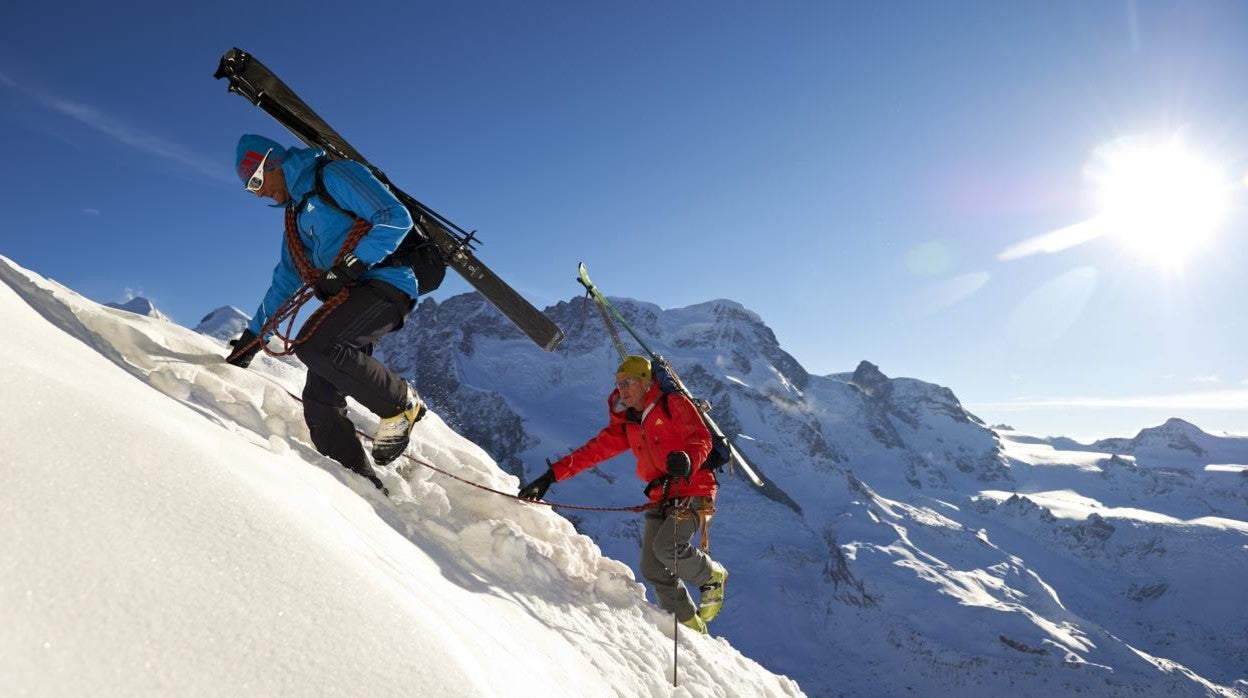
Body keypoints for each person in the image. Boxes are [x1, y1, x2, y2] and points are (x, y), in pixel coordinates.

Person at [224, 134, 425, 492]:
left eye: (256, 181)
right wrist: (254, 338)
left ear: (273, 163)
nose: (257, 193)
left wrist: (349, 265)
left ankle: (400, 403)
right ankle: (360, 485)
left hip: (387, 285)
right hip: (351, 296)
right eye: (249, 188)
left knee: (318, 345)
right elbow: (285, 280)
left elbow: (394, 217)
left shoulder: (334, 175)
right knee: (320, 402)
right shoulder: (296, 216)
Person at [517, 355, 729, 634]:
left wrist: (687, 461)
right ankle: (689, 627)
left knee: (667, 548)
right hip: (661, 495)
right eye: (618, 384)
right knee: (652, 567)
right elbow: (593, 452)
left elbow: (700, 438)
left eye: (628, 382)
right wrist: (550, 477)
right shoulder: (629, 423)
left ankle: (712, 577)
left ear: (645, 383)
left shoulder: (673, 403)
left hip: (693, 489)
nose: (622, 389)